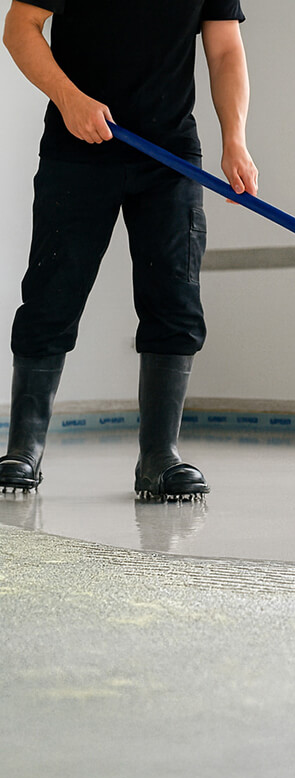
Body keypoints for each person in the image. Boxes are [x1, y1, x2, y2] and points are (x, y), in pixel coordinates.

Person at [0, 0, 258, 499]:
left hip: (170, 156)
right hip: (77, 148)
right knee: (52, 296)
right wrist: (69, 99)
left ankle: (159, 458)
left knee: (175, 300)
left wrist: (235, 140)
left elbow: (224, 49)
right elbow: (20, 28)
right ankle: (23, 451)